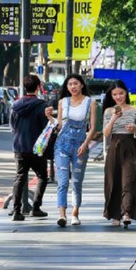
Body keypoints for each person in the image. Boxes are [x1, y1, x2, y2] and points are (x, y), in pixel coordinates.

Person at [46, 74, 98, 228]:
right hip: (62, 145)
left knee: (76, 182)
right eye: (70, 84)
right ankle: (62, 215)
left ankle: (75, 213)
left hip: (80, 146)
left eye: (76, 83)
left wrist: (85, 144)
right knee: (62, 182)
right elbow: (60, 125)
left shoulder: (90, 102)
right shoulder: (63, 102)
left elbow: (93, 127)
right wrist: (50, 117)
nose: (73, 87)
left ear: (82, 85)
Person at [102, 80, 136, 228]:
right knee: (113, 181)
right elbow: (106, 134)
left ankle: (126, 213)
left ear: (126, 92)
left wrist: (135, 128)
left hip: (129, 146)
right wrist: (114, 117)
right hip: (114, 146)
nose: (118, 97)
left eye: (121, 93)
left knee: (129, 180)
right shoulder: (108, 111)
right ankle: (115, 215)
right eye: (115, 94)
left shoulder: (134, 110)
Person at [9, 75, 50, 221]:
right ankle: (36, 207)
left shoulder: (15, 105)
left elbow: (12, 127)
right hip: (37, 148)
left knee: (20, 177)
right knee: (42, 177)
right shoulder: (42, 105)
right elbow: (46, 128)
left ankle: (16, 211)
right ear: (38, 87)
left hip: (19, 146)